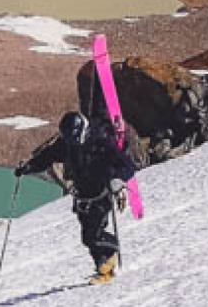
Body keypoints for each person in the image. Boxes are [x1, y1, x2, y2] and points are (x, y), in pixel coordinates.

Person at [16, 110, 136, 282]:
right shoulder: (68, 143)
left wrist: (118, 179)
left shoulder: (100, 141)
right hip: (83, 195)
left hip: (101, 193)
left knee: (93, 235)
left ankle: (111, 252)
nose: (72, 143)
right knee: (88, 236)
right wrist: (29, 167)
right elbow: (48, 156)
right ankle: (104, 269)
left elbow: (126, 165)